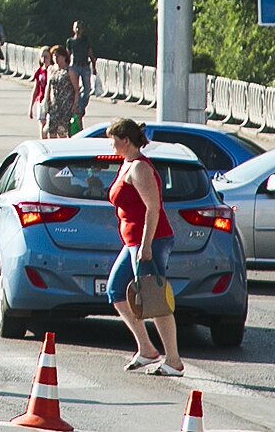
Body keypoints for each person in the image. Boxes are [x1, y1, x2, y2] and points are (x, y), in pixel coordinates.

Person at [105, 118, 184, 377]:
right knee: (116, 290)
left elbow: (153, 208)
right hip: (132, 241)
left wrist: (146, 245)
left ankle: (173, 360)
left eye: (114, 140)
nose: (112, 145)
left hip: (148, 241)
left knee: (154, 299)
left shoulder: (139, 167)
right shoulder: (126, 164)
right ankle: (147, 348)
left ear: (126, 141)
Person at [40, 46, 82, 138]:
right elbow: (48, 85)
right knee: (51, 129)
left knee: (63, 131)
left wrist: (75, 105)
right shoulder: (51, 69)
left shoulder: (69, 71)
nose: (55, 58)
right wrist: (46, 100)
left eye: (58, 56)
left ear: (64, 57)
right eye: (54, 56)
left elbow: (76, 89)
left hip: (66, 106)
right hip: (54, 105)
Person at [67, 21, 97, 117]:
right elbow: (68, 55)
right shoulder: (70, 41)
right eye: (76, 27)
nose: (78, 30)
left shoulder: (85, 40)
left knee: (87, 90)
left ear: (83, 29)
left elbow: (90, 53)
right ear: (73, 29)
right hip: (74, 66)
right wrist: (66, 68)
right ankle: (77, 108)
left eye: (80, 28)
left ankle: (80, 107)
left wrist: (94, 65)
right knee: (76, 89)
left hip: (85, 67)